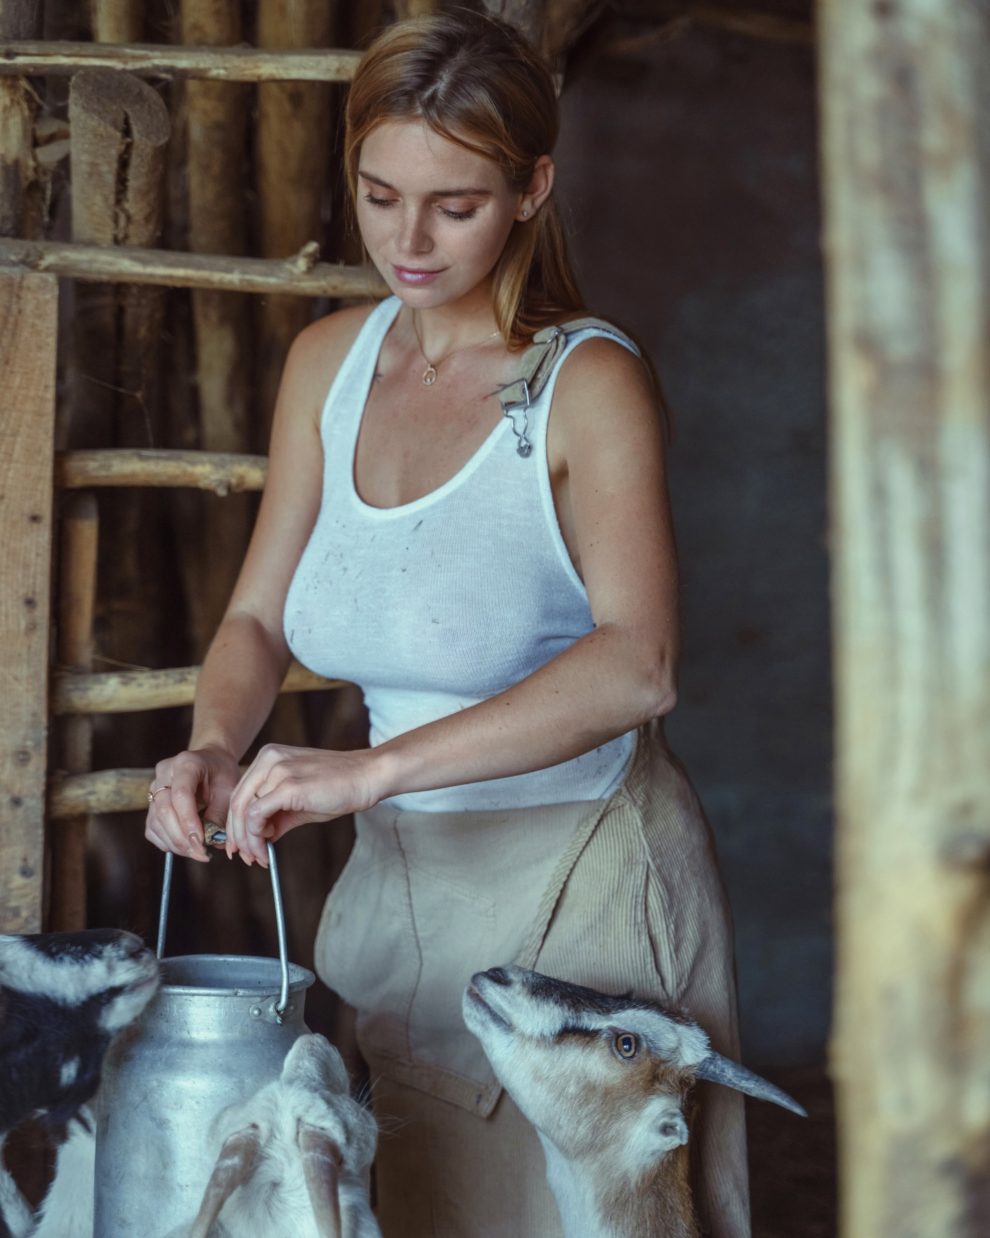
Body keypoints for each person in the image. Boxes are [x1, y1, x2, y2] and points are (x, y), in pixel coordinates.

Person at [145, 11, 749, 1236]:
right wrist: (212, 742)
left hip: (584, 889)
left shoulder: (588, 384)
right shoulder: (328, 364)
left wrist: (371, 769)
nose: (407, 241)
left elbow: (638, 665)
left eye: (454, 206)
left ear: (533, 188)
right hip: (403, 889)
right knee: (417, 1206)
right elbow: (257, 614)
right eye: (379, 196)